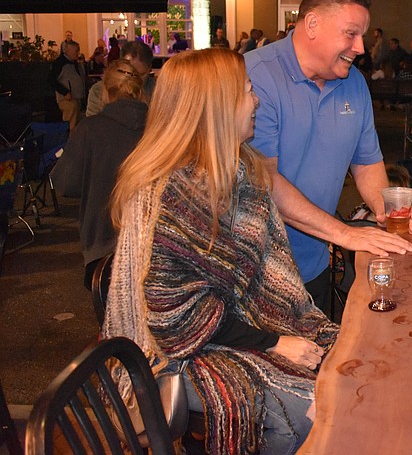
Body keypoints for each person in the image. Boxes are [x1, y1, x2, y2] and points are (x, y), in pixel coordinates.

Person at [101, 48, 339, 455]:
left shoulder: (241, 171)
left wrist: (284, 329)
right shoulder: (169, 193)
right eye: (247, 90)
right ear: (216, 108)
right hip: (166, 354)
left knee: (343, 371)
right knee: (320, 411)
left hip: (232, 329)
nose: (257, 98)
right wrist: (273, 343)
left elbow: (267, 274)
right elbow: (174, 322)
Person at [246, 0, 412, 306]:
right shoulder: (255, 77)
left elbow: (366, 162)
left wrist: (386, 211)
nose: (361, 48)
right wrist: (344, 233)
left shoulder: (354, 83)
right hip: (257, 271)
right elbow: (262, 182)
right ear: (311, 25)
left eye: (362, 36)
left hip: (316, 263)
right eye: (351, 34)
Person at [53, 59, 147, 289]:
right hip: (155, 244)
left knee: (113, 320)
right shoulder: (161, 126)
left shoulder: (90, 129)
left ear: (105, 91)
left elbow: (65, 184)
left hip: (103, 245)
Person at [87, 41, 154, 117]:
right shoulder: (99, 90)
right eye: (129, 73)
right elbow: (93, 124)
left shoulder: (158, 90)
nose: (135, 80)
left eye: (141, 75)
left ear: (149, 69)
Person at [49, 40, 86, 130]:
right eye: (76, 51)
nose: (78, 53)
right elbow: (51, 80)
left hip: (77, 97)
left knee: (76, 123)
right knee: (71, 124)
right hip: (67, 99)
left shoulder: (75, 63)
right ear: (67, 50)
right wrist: (65, 92)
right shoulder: (60, 63)